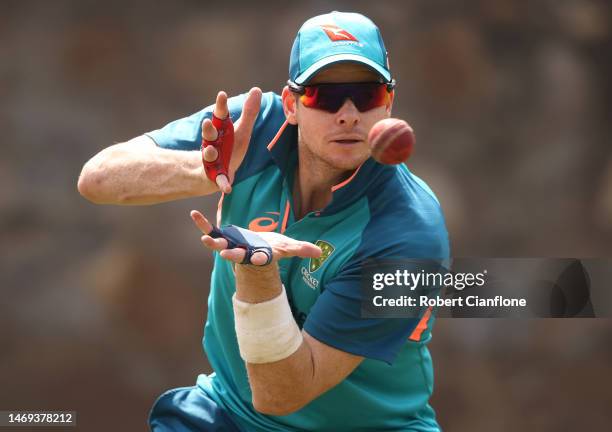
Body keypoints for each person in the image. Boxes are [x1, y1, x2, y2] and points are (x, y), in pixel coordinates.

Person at [78, 11, 450, 432]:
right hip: (231, 412)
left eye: (366, 95)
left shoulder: (409, 233)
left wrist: (258, 272)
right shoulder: (252, 127)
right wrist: (206, 171)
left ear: (388, 104)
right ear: (291, 105)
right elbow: (98, 178)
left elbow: (282, 394)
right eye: (324, 96)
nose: (348, 114)